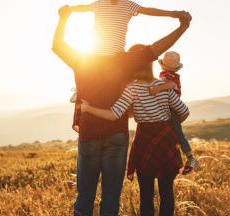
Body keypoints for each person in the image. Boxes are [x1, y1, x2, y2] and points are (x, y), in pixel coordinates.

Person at [52, 5, 192, 216]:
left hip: (89, 133)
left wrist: (63, 18)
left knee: (85, 194)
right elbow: (156, 49)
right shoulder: (125, 61)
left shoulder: (83, 59)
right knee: (111, 194)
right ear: (121, 33)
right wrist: (181, 27)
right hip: (117, 135)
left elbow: (58, 45)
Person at [80, 51, 190, 214]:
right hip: (167, 140)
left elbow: (114, 114)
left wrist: (88, 108)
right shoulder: (162, 86)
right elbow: (184, 111)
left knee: (146, 194)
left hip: (145, 141)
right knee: (167, 192)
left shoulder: (132, 89)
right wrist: (168, 128)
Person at [68, 0, 184, 133]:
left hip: (117, 57)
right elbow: (84, 7)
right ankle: (80, 118)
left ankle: (125, 111)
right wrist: (70, 9)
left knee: (129, 80)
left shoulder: (128, 4)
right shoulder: (99, 4)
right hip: (96, 56)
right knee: (85, 84)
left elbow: (148, 10)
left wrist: (172, 14)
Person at [149, 51, 198, 174]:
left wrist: (157, 89)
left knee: (178, 133)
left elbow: (170, 85)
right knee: (175, 132)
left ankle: (191, 158)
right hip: (171, 107)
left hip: (172, 108)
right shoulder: (169, 74)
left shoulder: (169, 76)